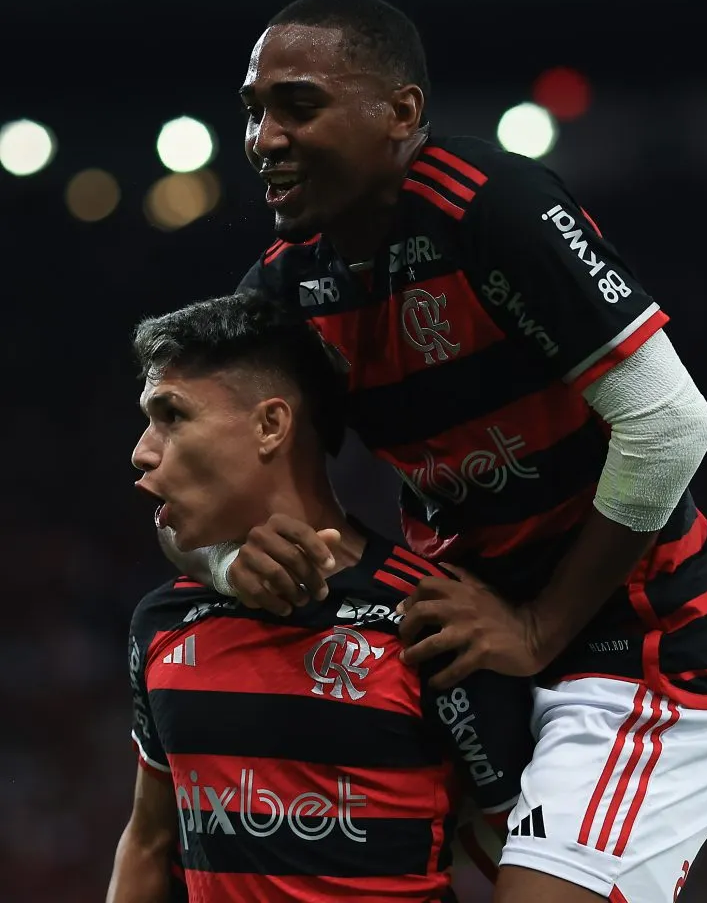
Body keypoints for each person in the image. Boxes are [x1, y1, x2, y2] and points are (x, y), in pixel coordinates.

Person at [173, 0, 707, 902]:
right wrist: (223, 561)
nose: (264, 138)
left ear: (400, 113)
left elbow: (669, 424)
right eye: (254, 111)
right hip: (466, 660)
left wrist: (538, 630)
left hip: (639, 658)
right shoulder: (287, 290)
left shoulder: (490, 208)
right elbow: (181, 491)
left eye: (298, 106)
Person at [107, 292, 533, 903]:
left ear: (270, 426)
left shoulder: (433, 620)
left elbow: (523, 842)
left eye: (171, 415)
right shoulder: (163, 621)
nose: (142, 450)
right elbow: (149, 840)